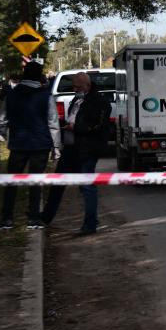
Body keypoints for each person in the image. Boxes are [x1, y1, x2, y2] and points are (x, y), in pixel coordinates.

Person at [40, 72, 110, 235]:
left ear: (88, 85)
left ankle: (90, 225)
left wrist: (76, 127)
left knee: (87, 187)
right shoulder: (77, 99)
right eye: (74, 87)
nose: (75, 89)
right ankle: (45, 217)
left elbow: (98, 126)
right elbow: (73, 117)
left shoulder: (99, 102)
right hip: (71, 149)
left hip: (87, 151)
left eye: (78, 87)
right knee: (58, 184)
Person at [0, 61, 60, 230]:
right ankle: (33, 218)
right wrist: (56, 148)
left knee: (12, 182)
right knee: (35, 182)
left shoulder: (11, 95)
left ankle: (7, 219)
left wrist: (4, 136)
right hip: (40, 145)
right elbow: (53, 123)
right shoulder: (46, 96)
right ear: (40, 77)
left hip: (18, 144)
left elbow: (1, 120)